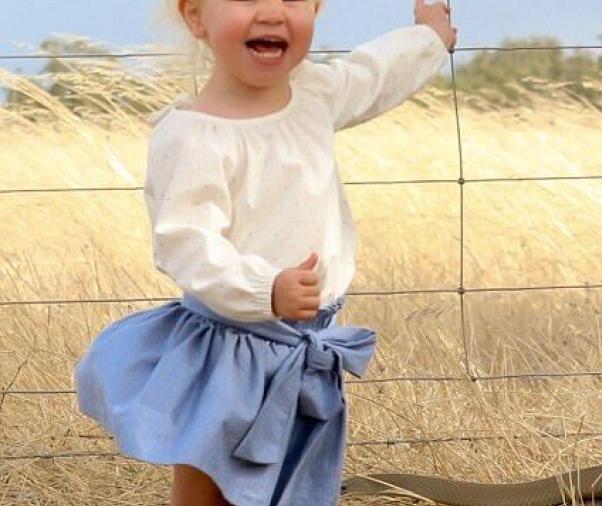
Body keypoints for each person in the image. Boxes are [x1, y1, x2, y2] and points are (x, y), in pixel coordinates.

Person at [73, 0, 457, 504]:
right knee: (211, 481)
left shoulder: (313, 95)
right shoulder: (193, 135)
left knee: (291, 481)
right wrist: (264, 289)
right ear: (195, 17)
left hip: (307, 344)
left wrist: (427, 39)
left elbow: (372, 74)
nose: (274, 12)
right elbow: (185, 240)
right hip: (234, 345)